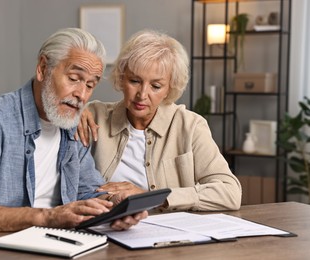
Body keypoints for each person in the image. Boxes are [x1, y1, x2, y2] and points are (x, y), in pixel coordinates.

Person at [0, 28, 147, 233]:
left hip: (58, 243)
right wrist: (47, 217)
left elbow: (88, 191)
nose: (81, 94)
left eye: (90, 85)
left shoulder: (72, 126)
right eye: (74, 79)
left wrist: (114, 206)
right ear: (43, 68)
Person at [77, 30, 242, 212]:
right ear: (122, 78)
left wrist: (151, 198)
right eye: (134, 81)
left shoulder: (190, 126)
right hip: (108, 226)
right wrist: (75, 112)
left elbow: (230, 192)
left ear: (169, 89)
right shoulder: (94, 116)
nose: (142, 95)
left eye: (156, 86)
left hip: (168, 234)